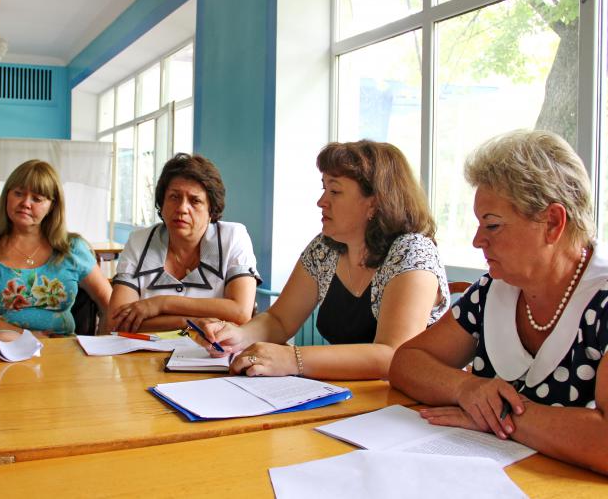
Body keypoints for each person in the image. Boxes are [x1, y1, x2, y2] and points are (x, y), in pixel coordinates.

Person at [389, 130, 607, 475]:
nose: (478, 240)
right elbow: (406, 363)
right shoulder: (493, 289)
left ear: (553, 223)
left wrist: (499, 416)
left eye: (492, 225)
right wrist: (467, 388)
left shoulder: (602, 301)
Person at [198, 141, 449, 380]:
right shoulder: (325, 248)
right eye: (324, 189)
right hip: (351, 393)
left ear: (374, 203)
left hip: (411, 401)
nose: (321, 202)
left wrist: (292, 359)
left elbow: (393, 355)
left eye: (335, 191)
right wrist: (238, 336)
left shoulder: (412, 252)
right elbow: (280, 321)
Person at [108, 153, 260, 333]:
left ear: (211, 209)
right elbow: (117, 322)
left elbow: (240, 313)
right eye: (174, 197)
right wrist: (189, 322)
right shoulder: (139, 241)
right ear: (162, 204)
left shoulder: (233, 237)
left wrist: (160, 304)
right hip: (145, 351)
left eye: (195, 201)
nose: (182, 208)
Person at [0, 160, 111, 337]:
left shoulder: (73, 249)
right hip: (3, 348)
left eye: (37, 199)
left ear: (52, 206)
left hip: (64, 349)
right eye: (18, 193)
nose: (25, 203)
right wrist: (28, 336)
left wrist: (102, 345)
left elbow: (110, 305)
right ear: (7, 196)